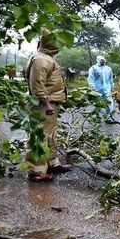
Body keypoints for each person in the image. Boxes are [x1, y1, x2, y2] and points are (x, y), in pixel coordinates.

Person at [24, 30, 72, 182]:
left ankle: (51, 163)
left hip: (48, 104)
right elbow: (37, 85)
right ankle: (36, 171)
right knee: (39, 137)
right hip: (42, 105)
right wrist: (46, 103)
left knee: (50, 135)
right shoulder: (41, 60)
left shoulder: (46, 58)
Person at [87, 55, 114, 121]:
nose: (103, 62)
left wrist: (112, 87)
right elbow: (91, 78)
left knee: (110, 102)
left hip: (107, 88)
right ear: (98, 60)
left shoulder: (108, 68)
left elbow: (111, 79)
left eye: (104, 60)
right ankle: (97, 118)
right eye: (101, 60)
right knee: (98, 103)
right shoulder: (93, 68)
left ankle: (109, 118)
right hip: (97, 89)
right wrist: (92, 87)